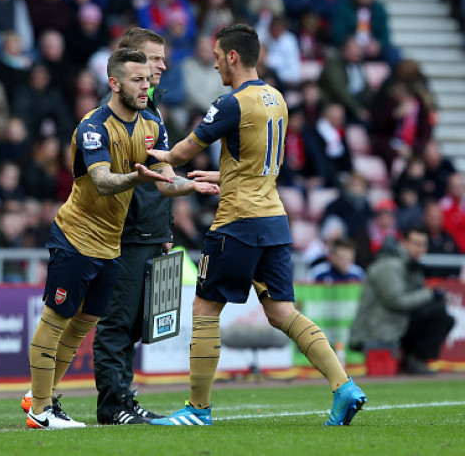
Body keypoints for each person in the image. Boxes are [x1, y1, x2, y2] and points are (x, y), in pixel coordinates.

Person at [145, 23, 367, 427]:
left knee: (206, 308)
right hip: (273, 219)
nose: (214, 67)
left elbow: (182, 151)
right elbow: (259, 165)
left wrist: (145, 157)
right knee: (282, 311)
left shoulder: (232, 102)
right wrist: (217, 177)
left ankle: (197, 410)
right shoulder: (277, 98)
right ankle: (343, 385)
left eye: (216, 59)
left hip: (237, 223)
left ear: (233, 56)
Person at [20, 48, 219, 430]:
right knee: (57, 318)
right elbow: (103, 180)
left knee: (82, 325)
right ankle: (41, 410)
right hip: (76, 236)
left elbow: (164, 181)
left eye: (148, 79)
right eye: (137, 80)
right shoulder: (93, 125)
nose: (146, 87)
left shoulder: (151, 124)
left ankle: (42, 399)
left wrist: (194, 185)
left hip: (111, 244)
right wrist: (138, 177)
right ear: (114, 83)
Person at [92, 28, 172, 425]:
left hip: (151, 231)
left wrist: (166, 229)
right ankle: (113, 404)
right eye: (155, 58)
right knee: (117, 322)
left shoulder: (153, 111)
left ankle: (125, 397)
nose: (161, 66)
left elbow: (161, 173)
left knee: (134, 325)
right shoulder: (113, 118)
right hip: (125, 232)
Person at [349, 227, 456, 374]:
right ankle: (414, 360)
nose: (420, 248)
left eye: (423, 244)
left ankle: (414, 360)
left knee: (445, 316)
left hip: (396, 323)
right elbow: (396, 301)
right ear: (404, 243)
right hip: (378, 328)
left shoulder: (409, 264)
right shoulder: (390, 265)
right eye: (416, 243)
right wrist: (429, 294)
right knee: (436, 311)